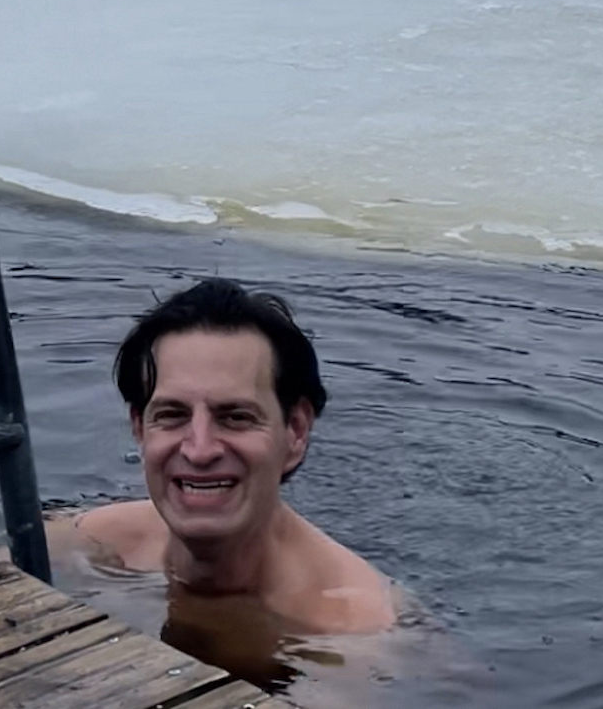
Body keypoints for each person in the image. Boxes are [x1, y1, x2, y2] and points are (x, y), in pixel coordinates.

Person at [52, 278, 398, 648]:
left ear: (295, 431)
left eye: (235, 417)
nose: (200, 450)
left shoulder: (357, 631)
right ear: (139, 427)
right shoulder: (96, 545)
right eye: (172, 414)